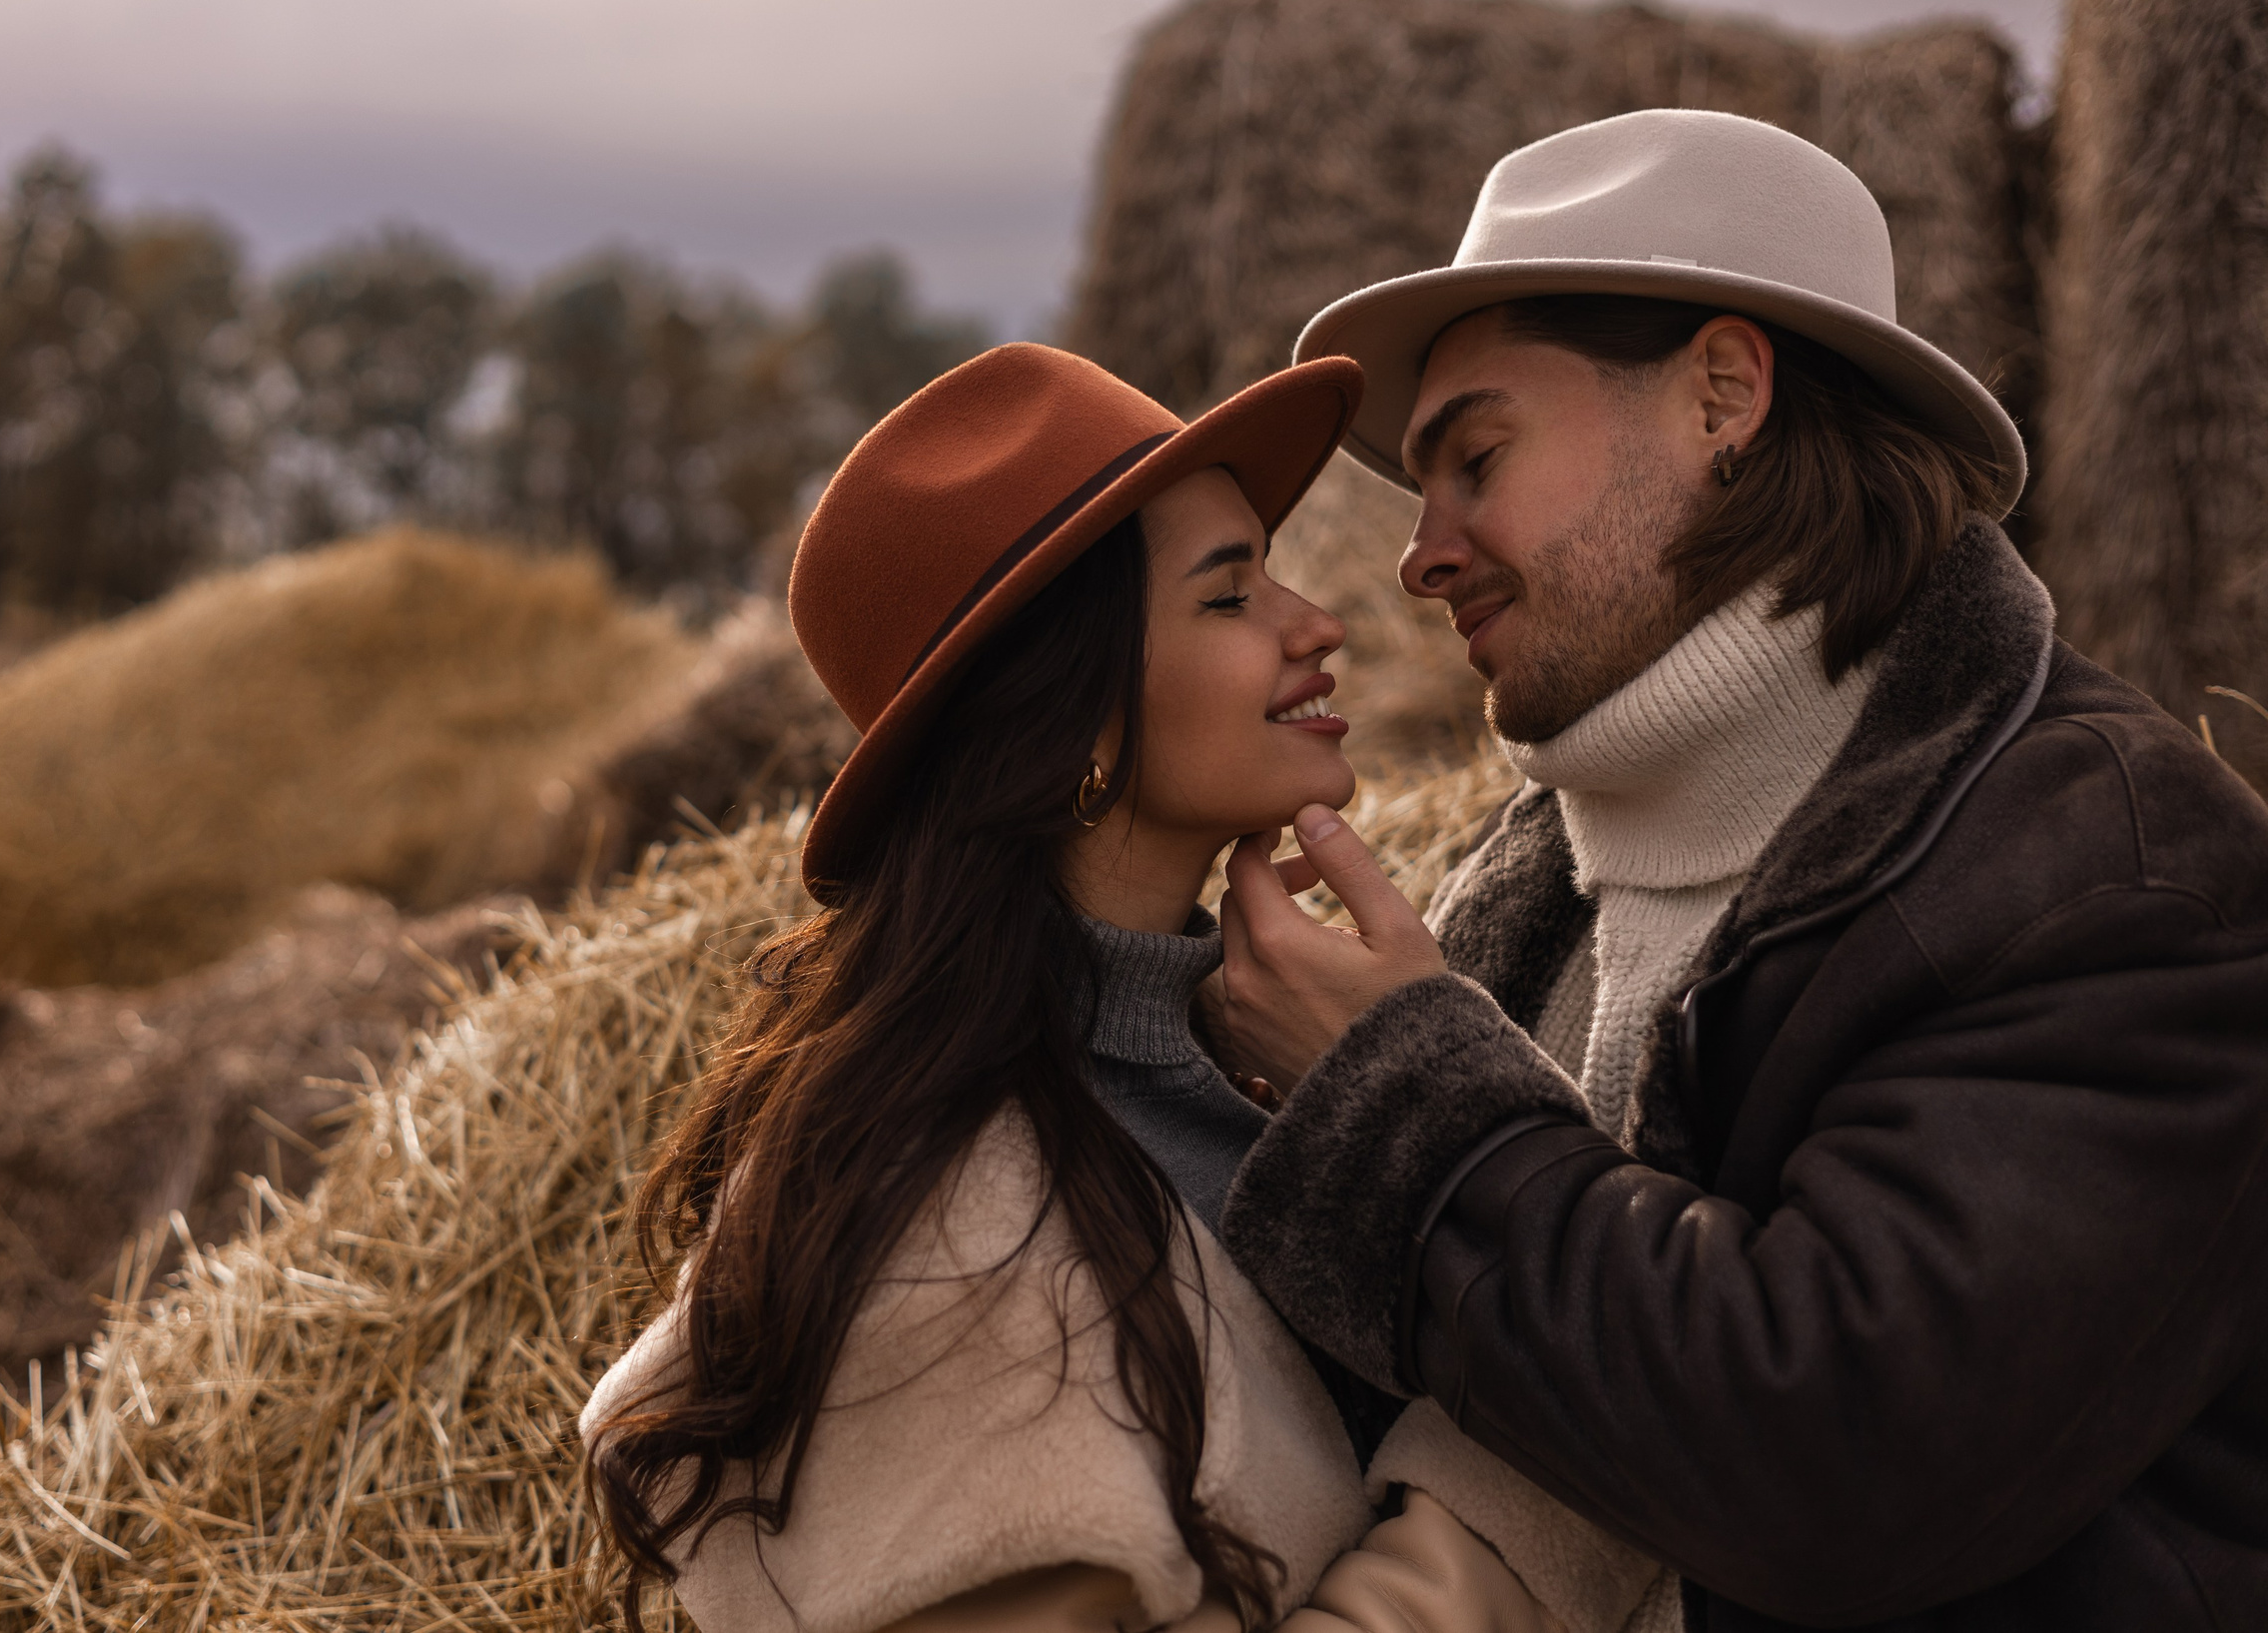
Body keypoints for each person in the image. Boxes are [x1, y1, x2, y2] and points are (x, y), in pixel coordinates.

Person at [1204, 109, 2268, 1631]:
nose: (1417, 555)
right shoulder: (1537, 882)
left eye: (1478, 458)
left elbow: (1846, 1467)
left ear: (1722, 394)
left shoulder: (2116, 884)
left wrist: (1390, 1100)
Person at [579, 343, 1676, 1632]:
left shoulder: (1238, 1065)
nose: (1316, 621)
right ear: (1073, 725)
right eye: (1228, 596)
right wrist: (1529, 1480)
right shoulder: (950, 1242)